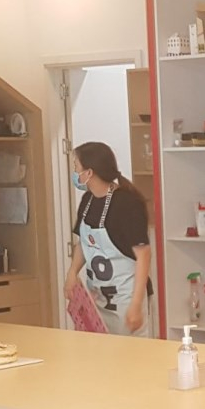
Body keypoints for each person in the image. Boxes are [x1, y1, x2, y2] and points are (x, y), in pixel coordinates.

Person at [64, 142, 153, 336]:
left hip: (126, 298)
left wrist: (136, 304)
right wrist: (72, 272)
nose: (74, 173)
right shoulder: (87, 201)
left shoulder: (127, 203)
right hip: (97, 298)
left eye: (76, 167)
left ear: (89, 172)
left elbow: (144, 254)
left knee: (128, 353)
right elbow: (84, 243)